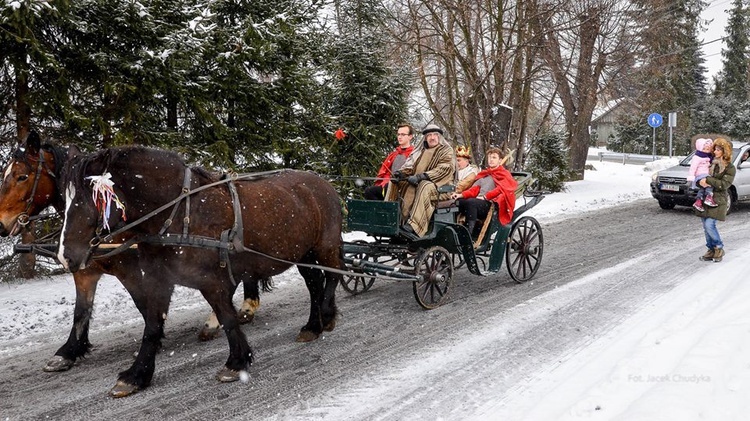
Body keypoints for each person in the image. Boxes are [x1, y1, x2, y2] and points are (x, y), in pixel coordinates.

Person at [387, 124, 455, 237]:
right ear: (425, 137)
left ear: (439, 137)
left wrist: (421, 177)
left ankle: (414, 226)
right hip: (419, 183)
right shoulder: (421, 151)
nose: (432, 137)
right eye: (429, 135)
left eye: (435, 135)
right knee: (394, 182)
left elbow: (445, 169)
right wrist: (401, 173)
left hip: (442, 189)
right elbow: (412, 167)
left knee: (424, 185)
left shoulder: (446, 150)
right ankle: (392, 219)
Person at [450, 147, 517, 237]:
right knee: (458, 202)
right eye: (489, 157)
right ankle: (455, 230)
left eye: (494, 157)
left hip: (491, 205)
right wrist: (460, 195)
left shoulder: (504, 174)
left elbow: (501, 189)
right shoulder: (485, 174)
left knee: (471, 202)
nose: (491, 160)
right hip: (480, 202)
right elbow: (474, 190)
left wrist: (486, 197)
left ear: (500, 160)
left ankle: (469, 234)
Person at [697, 137, 735, 263]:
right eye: (715, 149)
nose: (716, 151)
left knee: (710, 224)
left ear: (725, 151)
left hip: (718, 200)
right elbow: (700, 176)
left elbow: (724, 184)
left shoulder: (729, 167)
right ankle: (711, 250)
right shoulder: (709, 162)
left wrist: (708, 181)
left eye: (719, 149)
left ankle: (719, 247)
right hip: (705, 199)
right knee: (705, 226)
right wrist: (700, 182)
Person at [363, 124, 415, 200]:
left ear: (410, 136)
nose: (400, 137)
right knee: (369, 191)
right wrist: (385, 181)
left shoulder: (414, 154)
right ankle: (379, 211)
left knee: (389, 188)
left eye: (403, 134)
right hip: (388, 184)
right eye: (398, 134)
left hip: (404, 186)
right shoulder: (393, 154)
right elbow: (385, 172)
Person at [688, 138, 717, 211]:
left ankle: (698, 201)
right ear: (700, 149)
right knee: (710, 183)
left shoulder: (708, 156)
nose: (706, 150)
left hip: (705, 174)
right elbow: (693, 167)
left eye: (708, 149)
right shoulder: (697, 157)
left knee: (702, 188)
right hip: (700, 175)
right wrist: (691, 176)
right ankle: (709, 197)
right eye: (704, 149)